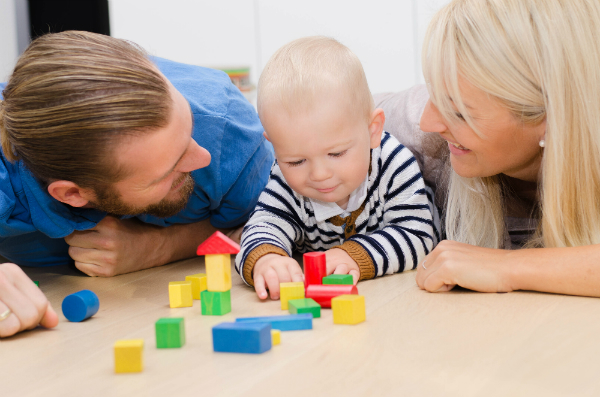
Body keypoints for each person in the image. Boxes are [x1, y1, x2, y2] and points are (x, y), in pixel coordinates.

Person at [0, 31, 274, 337]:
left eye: (189, 131)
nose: (202, 158)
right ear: (74, 194)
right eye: (171, 170)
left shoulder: (225, 129)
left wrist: (162, 247)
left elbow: (290, 222)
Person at [375, 0, 600, 296]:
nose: (429, 122)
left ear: (550, 117)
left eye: (458, 112)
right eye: (433, 92)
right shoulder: (417, 132)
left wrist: (507, 267)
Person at [235, 37, 438, 300]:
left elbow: (419, 235)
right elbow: (263, 225)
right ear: (275, 148)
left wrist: (354, 255)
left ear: (372, 130)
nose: (319, 174)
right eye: (296, 161)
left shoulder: (394, 164)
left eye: (337, 153)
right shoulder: (284, 180)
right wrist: (266, 257)